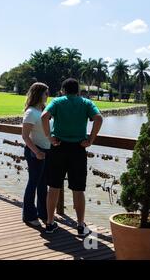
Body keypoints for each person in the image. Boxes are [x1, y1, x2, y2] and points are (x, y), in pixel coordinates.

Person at [41, 78, 103, 236]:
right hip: (78, 149)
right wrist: (91, 140)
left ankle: (49, 223)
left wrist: (49, 137)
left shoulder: (58, 101)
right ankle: (81, 225)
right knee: (78, 189)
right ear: (78, 91)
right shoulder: (86, 103)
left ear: (63, 90)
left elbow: (44, 116)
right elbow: (99, 118)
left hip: (58, 147)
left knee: (53, 187)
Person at [21, 82, 51, 227]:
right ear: (39, 94)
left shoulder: (42, 111)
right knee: (33, 183)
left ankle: (43, 213)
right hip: (35, 152)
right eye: (46, 93)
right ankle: (29, 216)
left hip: (45, 151)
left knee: (42, 184)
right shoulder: (31, 112)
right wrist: (37, 151)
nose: (48, 95)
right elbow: (25, 136)